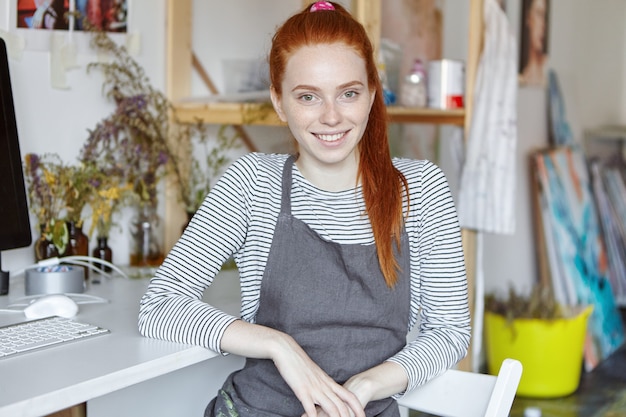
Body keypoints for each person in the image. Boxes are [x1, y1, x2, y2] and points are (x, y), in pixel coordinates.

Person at [138, 2, 470, 416]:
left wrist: (365, 386)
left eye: (348, 93)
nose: (331, 117)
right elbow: (160, 307)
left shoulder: (420, 190)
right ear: (279, 102)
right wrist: (278, 345)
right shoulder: (252, 184)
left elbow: (450, 332)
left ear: (371, 94)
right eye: (308, 97)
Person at [519, 0, 549, 87]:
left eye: (545, 16)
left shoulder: (546, 78)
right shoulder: (520, 76)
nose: (543, 25)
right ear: (528, 18)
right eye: (539, 14)